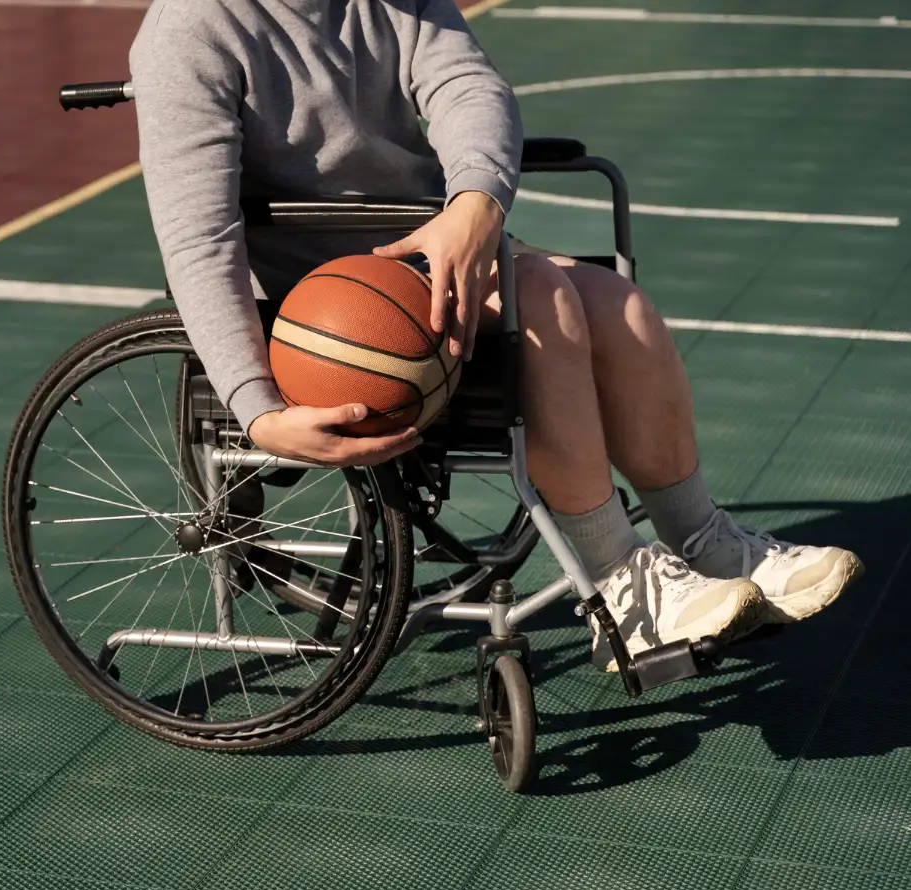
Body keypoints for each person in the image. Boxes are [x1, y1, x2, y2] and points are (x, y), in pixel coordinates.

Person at [128, 0, 861, 668]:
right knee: (538, 293)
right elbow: (199, 240)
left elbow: (467, 89)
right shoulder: (191, 31)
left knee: (620, 305)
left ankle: (705, 543)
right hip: (317, 308)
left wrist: (475, 201)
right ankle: (620, 586)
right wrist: (258, 408)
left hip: (417, 251)